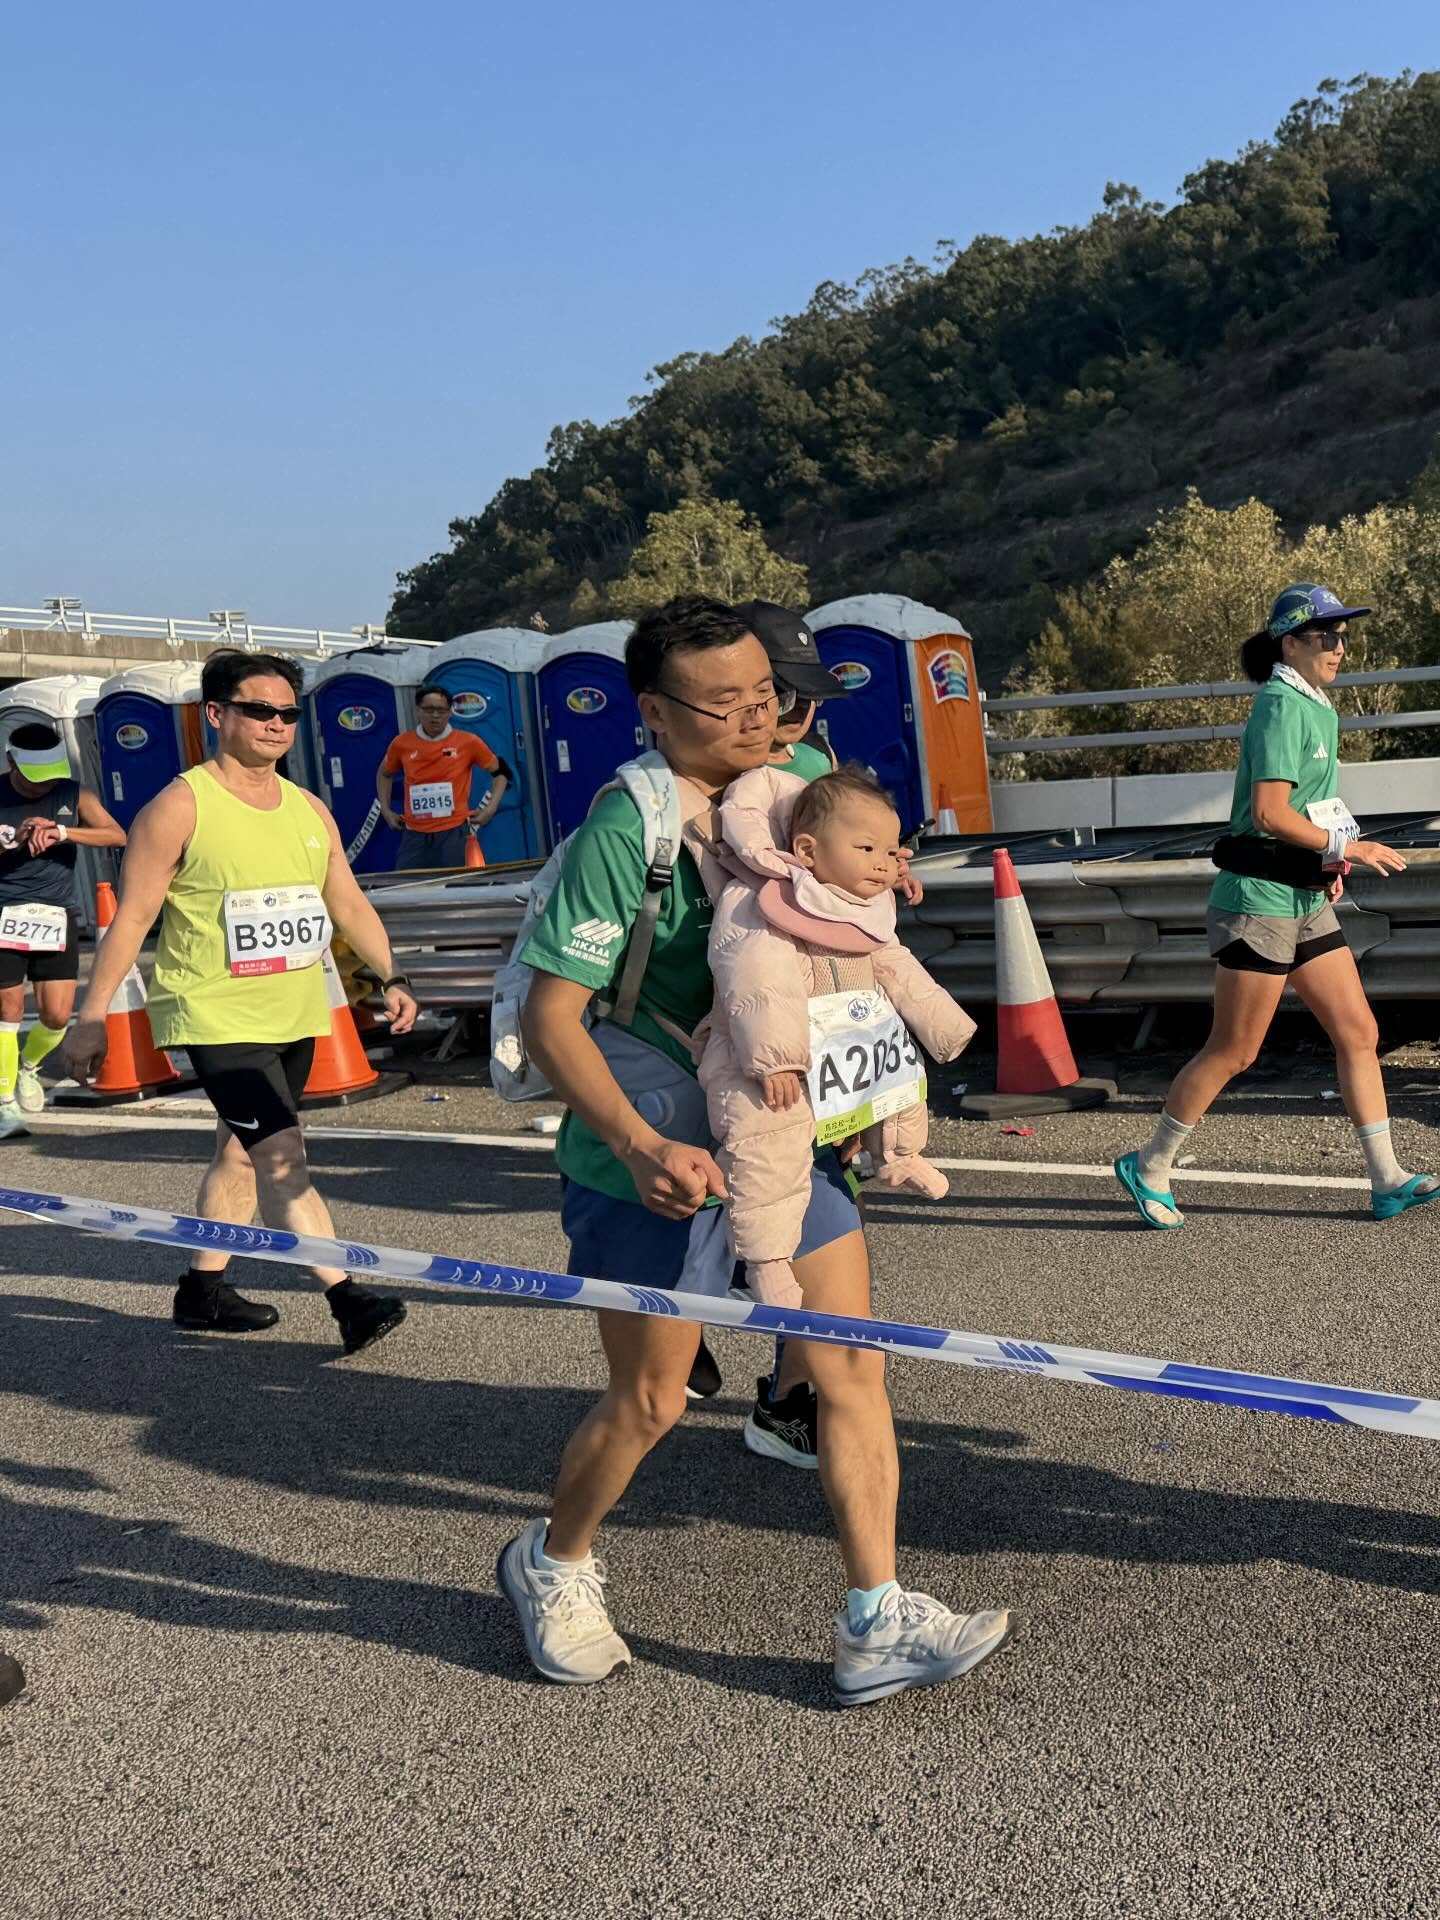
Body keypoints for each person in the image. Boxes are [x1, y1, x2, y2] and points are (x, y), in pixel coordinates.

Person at [497, 595, 1012, 1706]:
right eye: (722, 703)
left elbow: (850, 877)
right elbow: (552, 1022)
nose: (754, 719)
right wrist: (636, 1145)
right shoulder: (622, 833)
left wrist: (883, 875)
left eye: (765, 696)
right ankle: (554, 1563)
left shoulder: (796, 789)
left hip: (784, 1139)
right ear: (653, 710)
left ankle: (875, 1614)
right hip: (655, 1151)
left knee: (852, 1371)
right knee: (653, 1400)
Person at [65, 650, 420, 1354]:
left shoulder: (307, 807)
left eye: (289, 713)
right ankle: (348, 1297)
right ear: (217, 715)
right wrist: (91, 1017)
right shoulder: (178, 806)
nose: (277, 724)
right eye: (260, 710)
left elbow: (345, 900)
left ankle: (203, 1290)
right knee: (283, 1156)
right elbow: (132, 917)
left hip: (293, 1012)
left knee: (241, 1153)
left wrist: (393, 976)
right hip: (214, 1013)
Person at [1114, 584, 1438, 1230]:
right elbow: (1267, 812)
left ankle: (1386, 1179)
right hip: (1257, 902)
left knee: (1360, 1032)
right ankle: (1150, 1164)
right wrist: (1350, 844)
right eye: (1326, 636)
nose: (1339, 647)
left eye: (1344, 636)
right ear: (1290, 643)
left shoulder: (1319, 709)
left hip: (1303, 897)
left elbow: (1306, 814)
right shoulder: (1279, 705)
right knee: (1235, 1049)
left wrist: (1328, 861)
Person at [698, 763, 973, 1307]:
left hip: (846, 1039)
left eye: (893, 851)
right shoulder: (762, 900)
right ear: (806, 850)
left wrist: (943, 1025)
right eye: (867, 849)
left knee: (899, 1078)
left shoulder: (859, 904)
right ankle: (766, 1260)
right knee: (766, 1143)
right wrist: (772, 1057)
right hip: (773, 1054)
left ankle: (898, 1154)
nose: (885, 863)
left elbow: (896, 964)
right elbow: (756, 977)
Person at [0, 723, 126, 1138]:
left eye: (48, 779)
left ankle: (29, 1068)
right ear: (10, 762)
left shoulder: (74, 794)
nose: (42, 789)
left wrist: (63, 831)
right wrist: (10, 842)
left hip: (55, 915)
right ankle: (3, 1103)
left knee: (56, 1014)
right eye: (33, 780)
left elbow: (116, 833)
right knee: (8, 1010)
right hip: (3, 912)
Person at [377, 685, 510, 870]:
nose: (435, 716)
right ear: (418, 711)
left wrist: (491, 808)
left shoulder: (468, 742)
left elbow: (501, 773)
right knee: (408, 891)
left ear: (450, 713)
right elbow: (384, 773)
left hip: (454, 833)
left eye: (441, 710)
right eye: (429, 710)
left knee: (455, 891)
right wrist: (386, 809)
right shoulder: (401, 744)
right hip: (414, 835)